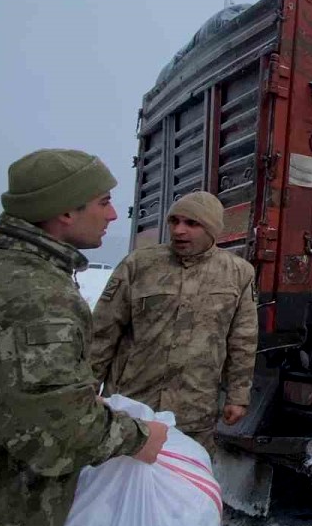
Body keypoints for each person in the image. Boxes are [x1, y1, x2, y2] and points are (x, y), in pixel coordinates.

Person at [0, 149, 168, 526]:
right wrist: (140, 438)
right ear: (65, 211)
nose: (113, 216)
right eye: (104, 202)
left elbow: (9, 388)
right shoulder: (36, 295)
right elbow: (55, 436)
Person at [90, 191, 258, 452]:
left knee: (185, 488)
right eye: (174, 221)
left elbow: (243, 340)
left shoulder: (238, 273)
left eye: (192, 224)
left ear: (212, 229)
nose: (179, 230)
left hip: (194, 412)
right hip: (131, 408)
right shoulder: (139, 265)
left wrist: (238, 396)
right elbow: (102, 333)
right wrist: (87, 390)